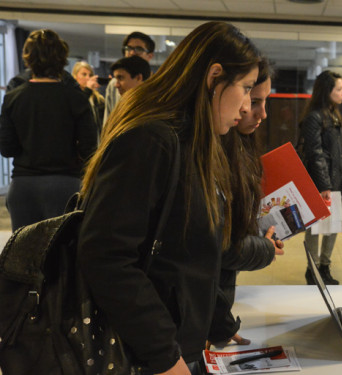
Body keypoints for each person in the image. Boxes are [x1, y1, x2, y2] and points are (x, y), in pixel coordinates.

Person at [77, 21, 261, 375]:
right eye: (246, 88)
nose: (248, 104)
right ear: (214, 76)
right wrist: (164, 355)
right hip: (146, 355)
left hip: (178, 345)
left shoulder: (193, 142)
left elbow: (190, 256)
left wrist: (218, 321)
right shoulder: (153, 139)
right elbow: (106, 255)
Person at [209, 60, 285, 348]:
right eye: (252, 99)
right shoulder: (213, 153)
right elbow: (219, 247)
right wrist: (263, 249)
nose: (258, 113)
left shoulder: (239, 145)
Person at [0, 29, 97, 231]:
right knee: (61, 255)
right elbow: (89, 149)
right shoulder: (76, 98)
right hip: (65, 185)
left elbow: (7, 148)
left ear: (28, 58)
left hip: (23, 186)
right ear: (62, 59)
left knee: (24, 255)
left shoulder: (13, 98)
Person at [300, 70, 342, 285]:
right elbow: (315, 153)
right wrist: (324, 185)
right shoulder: (314, 117)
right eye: (339, 89)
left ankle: (324, 267)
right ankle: (312, 269)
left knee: (332, 226)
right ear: (327, 91)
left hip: (334, 180)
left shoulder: (333, 114)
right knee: (316, 228)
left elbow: (335, 153)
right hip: (321, 183)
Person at [103, 31, 154, 124]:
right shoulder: (114, 84)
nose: (132, 53)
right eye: (128, 48)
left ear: (150, 55)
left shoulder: (156, 84)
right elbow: (108, 119)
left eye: (139, 49)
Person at [72, 60, 106, 134]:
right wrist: (88, 90)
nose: (88, 78)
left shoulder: (98, 99)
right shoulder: (72, 96)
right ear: (75, 77)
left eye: (90, 75)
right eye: (84, 74)